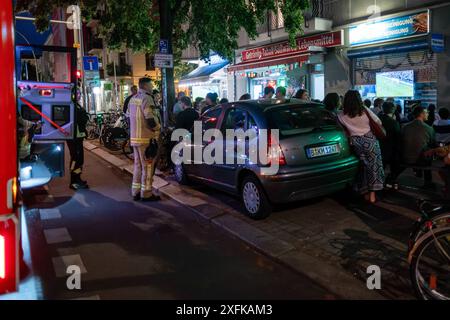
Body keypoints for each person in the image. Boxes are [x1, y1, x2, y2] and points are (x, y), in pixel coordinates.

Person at [337, 90, 385, 203]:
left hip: (356, 143)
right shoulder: (364, 111)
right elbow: (378, 122)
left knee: (363, 168)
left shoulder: (341, 115)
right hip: (370, 141)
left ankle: (365, 193)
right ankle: (372, 195)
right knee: (374, 167)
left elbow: (343, 130)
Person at [129, 77, 161, 201]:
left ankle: (135, 191)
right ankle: (146, 193)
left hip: (135, 138)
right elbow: (150, 118)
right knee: (148, 167)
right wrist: (158, 128)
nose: (152, 87)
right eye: (151, 85)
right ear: (146, 86)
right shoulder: (147, 98)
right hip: (146, 138)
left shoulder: (133, 98)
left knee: (137, 165)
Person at [399, 105, 436, 186]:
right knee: (427, 152)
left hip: (405, 158)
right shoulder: (429, 128)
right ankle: (428, 183)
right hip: (421, 160)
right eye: (426, 113)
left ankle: (418, 176)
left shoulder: (404, 126)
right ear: (421, 114)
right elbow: (433, 144)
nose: (428, 114)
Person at [67, 89, 90, 190]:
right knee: (75, 159)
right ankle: (73, 181)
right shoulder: (72, 105)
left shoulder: (76, 105)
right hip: (74, 137)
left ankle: (78, 178)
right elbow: (81, 118)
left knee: (80, 159)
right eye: (77, 93)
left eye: (79, 93)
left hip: (78, 136)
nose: (79, 95)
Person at [378, 102, 401, 189]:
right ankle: (391, 182)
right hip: (391, 151)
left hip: (379, 149)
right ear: (393, 110)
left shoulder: (377, 119)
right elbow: (398, 138)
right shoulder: (393, 123)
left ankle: (379, 185)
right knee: (395, 164)